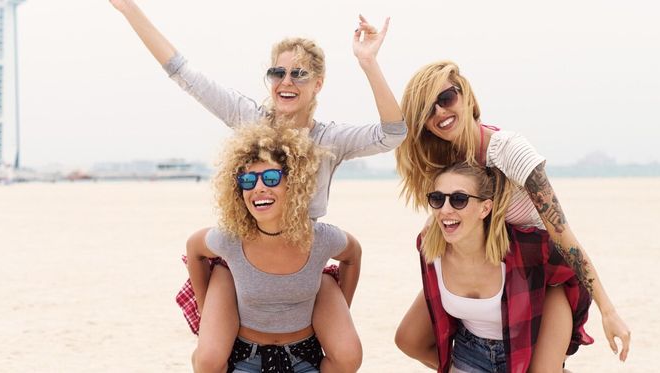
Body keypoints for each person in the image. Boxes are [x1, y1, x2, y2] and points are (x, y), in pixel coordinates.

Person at [109, 1, 404, 371]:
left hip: (303, 258)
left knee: (347, 356)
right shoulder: (251, 119)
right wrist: (130, 10)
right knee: (210, 358)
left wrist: (369, 63)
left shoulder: (330, 140)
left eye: (299, 74)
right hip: (246, 258)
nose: (286, 81)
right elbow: (185, 75)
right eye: (277, 72)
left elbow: (394, 133)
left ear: (318, 83)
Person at [393, 60, 631, 369]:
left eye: (446, 98)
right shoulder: (446, 160)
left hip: (542, 274)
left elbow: (563, 235)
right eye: (426, 110)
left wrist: (608, 310)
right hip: (494, 265)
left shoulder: (510, 152)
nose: (439, 112)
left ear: (466, 96)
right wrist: (369, 63)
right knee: (409, 338)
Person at [187, 124, 361, 372]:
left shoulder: (321, 239)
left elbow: (353, 255)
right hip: (246, 356)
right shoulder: (230, 239)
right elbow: (194, 249)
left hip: (303, 356)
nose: (258, 187)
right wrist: (205, 312)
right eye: (248, 180)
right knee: (206, 363)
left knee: (350, 356)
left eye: (271, 178)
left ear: (293, 184)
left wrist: (341, 306)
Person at [410, 163, 593, 372]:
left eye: (459, 200)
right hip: (472, 349)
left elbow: (577, 274)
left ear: (485, 208)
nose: (445, 209)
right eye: (437, 199)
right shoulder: (430, 249)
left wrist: (568, 339)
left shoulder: (526, 248)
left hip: (526, 344)